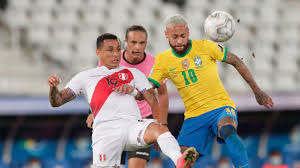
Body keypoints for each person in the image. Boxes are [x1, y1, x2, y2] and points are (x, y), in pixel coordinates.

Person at [48, 33, 198, 168]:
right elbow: (58, 101)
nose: (116, 54)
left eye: (118, 49)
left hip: (132, 126)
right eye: (110, 50)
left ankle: (180, 161)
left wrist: (159, 125)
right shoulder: (85, 76)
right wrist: (54, 88)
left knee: (159, 129)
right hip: (106, 132)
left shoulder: (134, 73)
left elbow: (153, 100)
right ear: (98, 52)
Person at [148, 15, 274, 168]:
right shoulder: (162, 60)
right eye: (175, 37)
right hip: (194, 117)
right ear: (166, 34)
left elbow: (235, 60)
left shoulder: (205, 46)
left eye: (183, 36)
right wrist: (158, 125)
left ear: (188, 32)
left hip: (220, 107)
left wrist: (257, 90)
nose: (180, 41)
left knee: (228, 130)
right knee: (182, 160)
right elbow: (148, 89)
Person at [85, 25, 169, 168]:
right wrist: (93, 112)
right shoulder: (112, 59)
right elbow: (97, 88)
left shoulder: (156, 64)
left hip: (142, 121)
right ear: (125, 42)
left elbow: (162, 94)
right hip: (112, 120)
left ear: (146, 44)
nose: (137, 47)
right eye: (133, 42)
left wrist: (162, 125)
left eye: (141, 43)